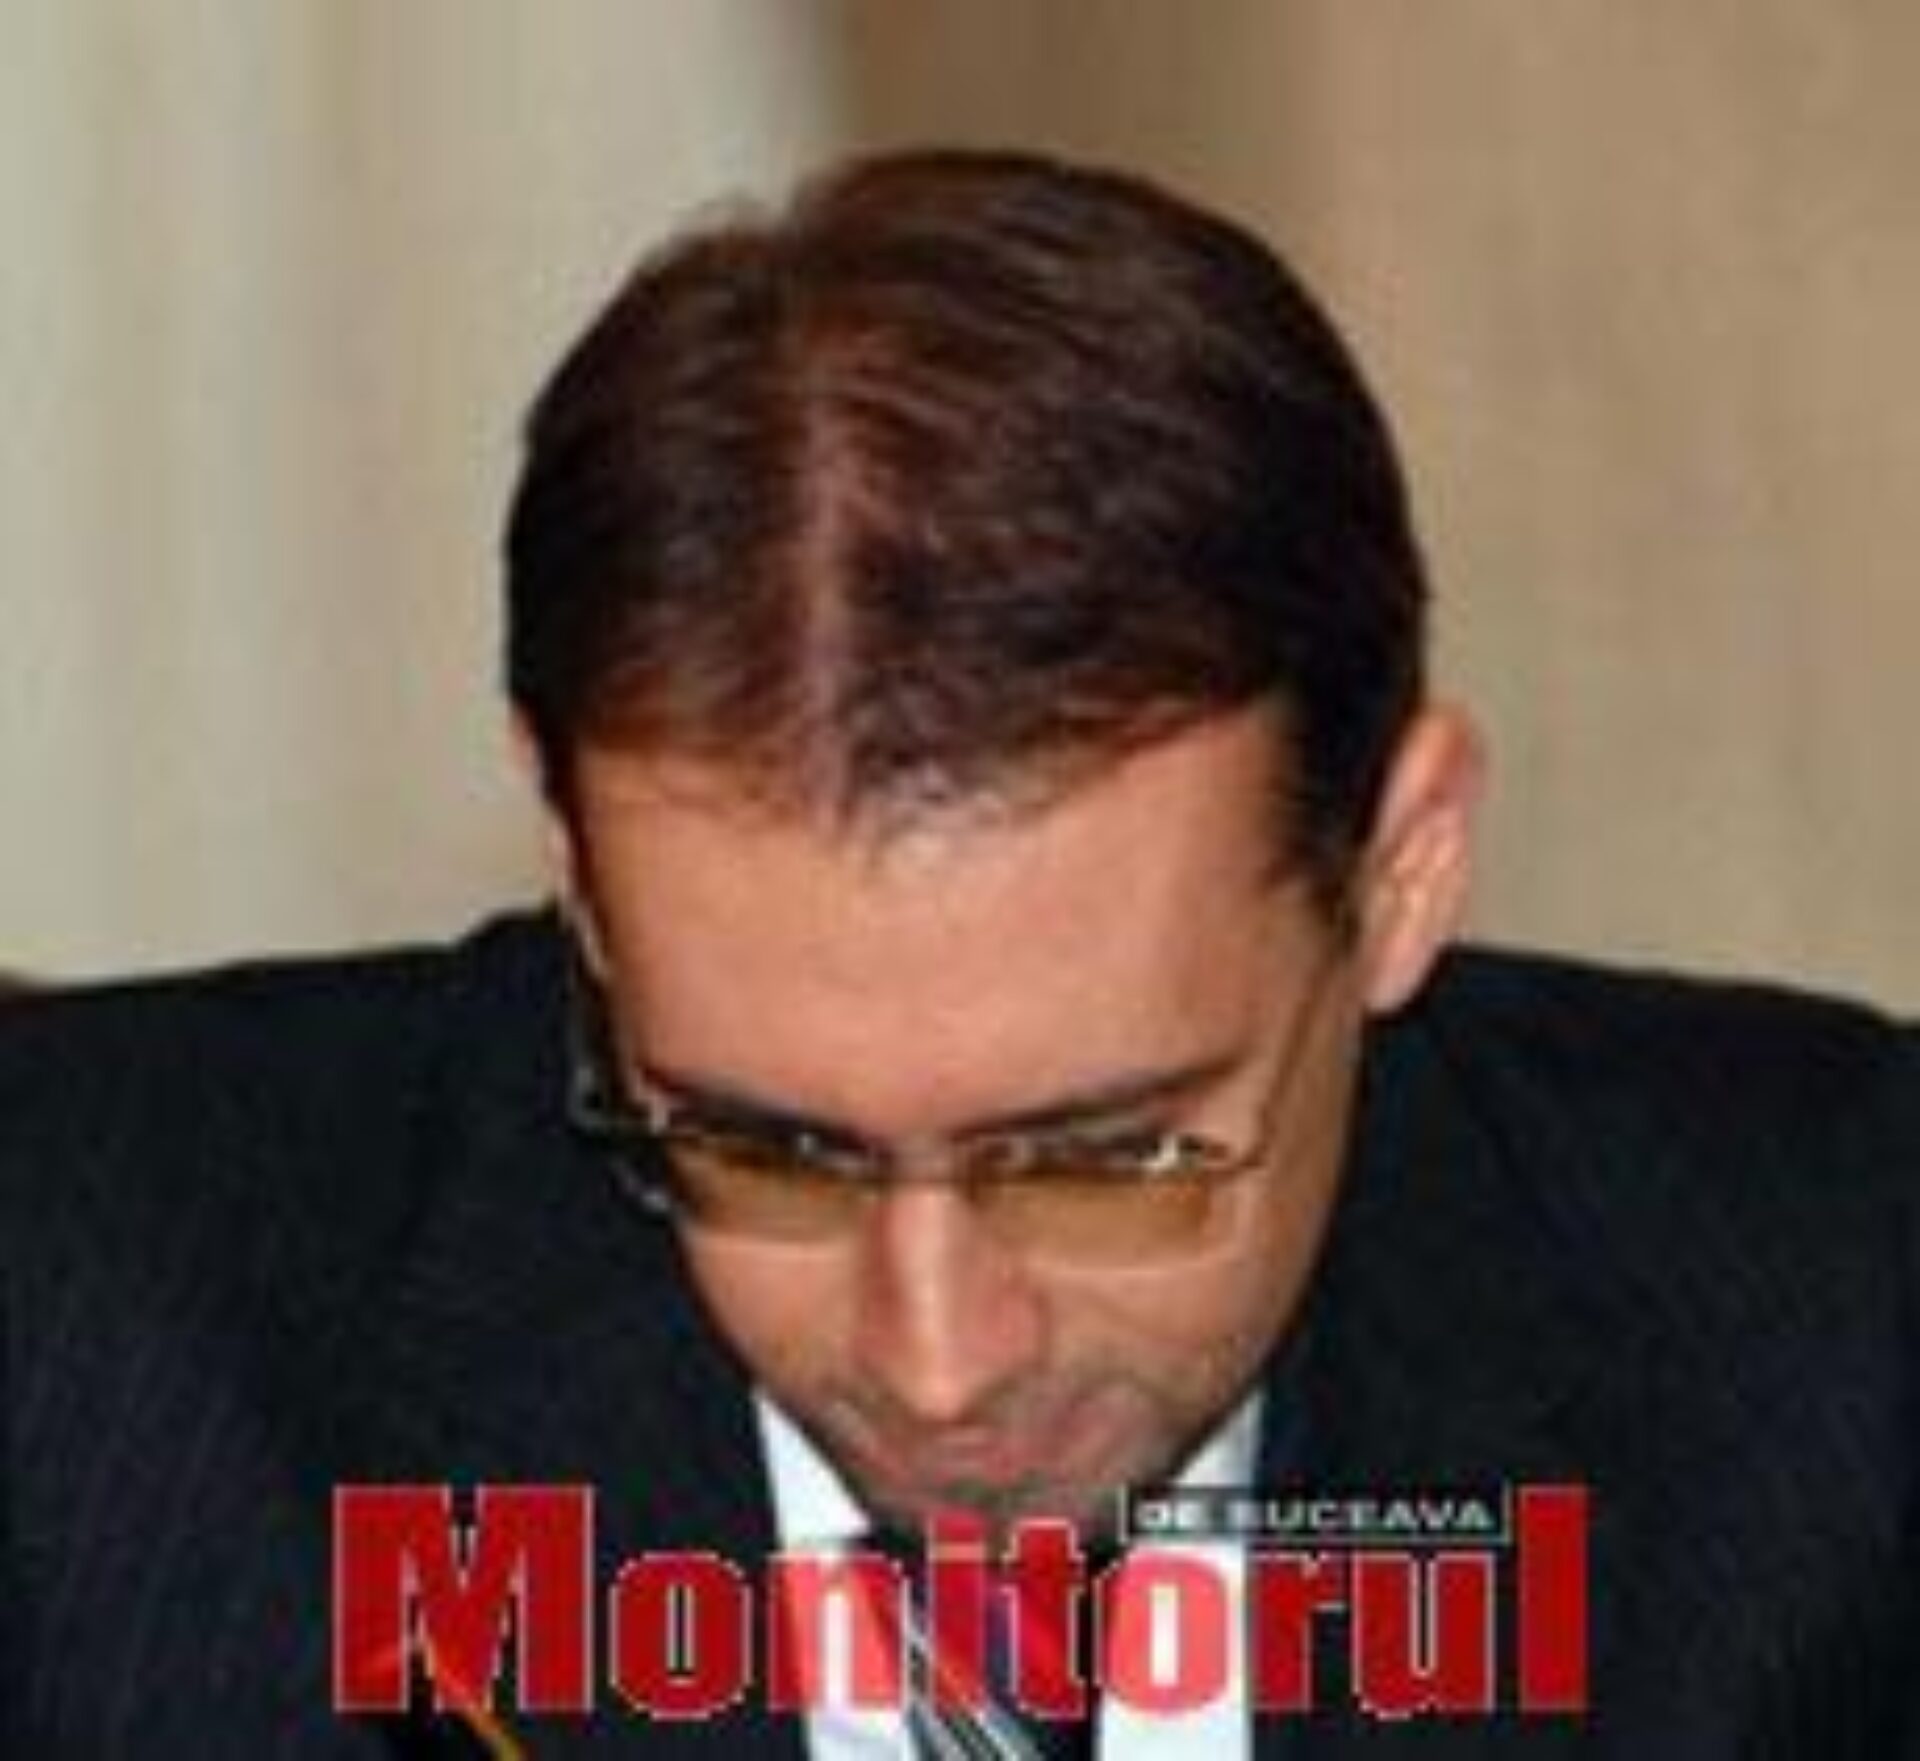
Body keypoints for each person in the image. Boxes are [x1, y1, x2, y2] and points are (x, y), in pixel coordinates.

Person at [1, 148, 1912, 1760]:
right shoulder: (79, 1331)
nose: (936, 1364)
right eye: (762, 1146)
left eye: (1106, 1154)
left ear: (1400, 870)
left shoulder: (1846, 1332)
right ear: (582, 877)